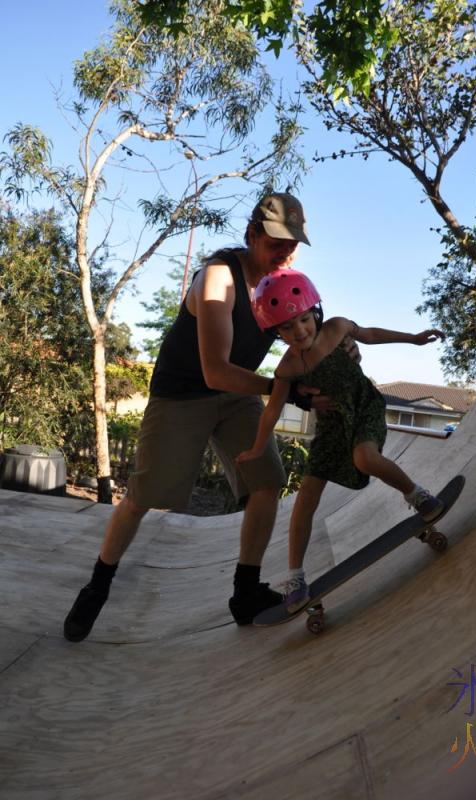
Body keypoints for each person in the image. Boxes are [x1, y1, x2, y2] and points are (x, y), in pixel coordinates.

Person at [63, 193, 356, 642]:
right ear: (253, 234)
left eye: (293, 243)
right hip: (183, 396)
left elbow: (309, 337)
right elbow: (214, 370)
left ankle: (245, 592)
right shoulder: (218, 277)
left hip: (237, 397)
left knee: (266, 481)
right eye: (277, 241)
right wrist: (287, 392)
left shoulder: (284, 283)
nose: (286, 251)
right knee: (146, 495)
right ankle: (97, 584)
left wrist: (343, 346)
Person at [236, 269, 447, 613]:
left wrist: (414, 338)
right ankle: (295, 577)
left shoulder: (336, 328)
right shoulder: (287, 368)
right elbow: (272, 409)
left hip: (362, 406)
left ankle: (418, 495)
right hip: (330, 428)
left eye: (303, 319)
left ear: (314, 313)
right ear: (275, 332)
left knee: (365, 458)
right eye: (287, 327)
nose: (299, 331)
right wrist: (258, 448)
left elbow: (371, 334)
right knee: (305, 498)